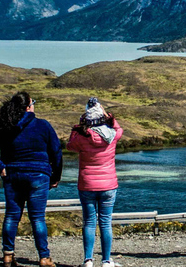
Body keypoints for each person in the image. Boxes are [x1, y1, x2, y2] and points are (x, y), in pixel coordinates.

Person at [0, 91, 63, 267]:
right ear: (28, 107)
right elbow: (56, 152)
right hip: (39, 175)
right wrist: (55, 176)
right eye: (33, 102)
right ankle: (44, 257)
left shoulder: (4, 126)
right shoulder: (43, 125)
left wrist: (0, 166)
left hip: (12, 174)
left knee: (11, 216)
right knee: (38, 218)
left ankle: (8, 256)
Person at [67, 98, 124, 267]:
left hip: (87, 185)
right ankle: (106, 260)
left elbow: (69, 145)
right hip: (108, 185)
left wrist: (77, 128)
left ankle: (88, 260)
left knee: (89, 222)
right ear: (102, 117)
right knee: (106, 222)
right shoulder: (112, 136)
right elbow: (118, 128)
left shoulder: (81, 138)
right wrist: (109, 117)